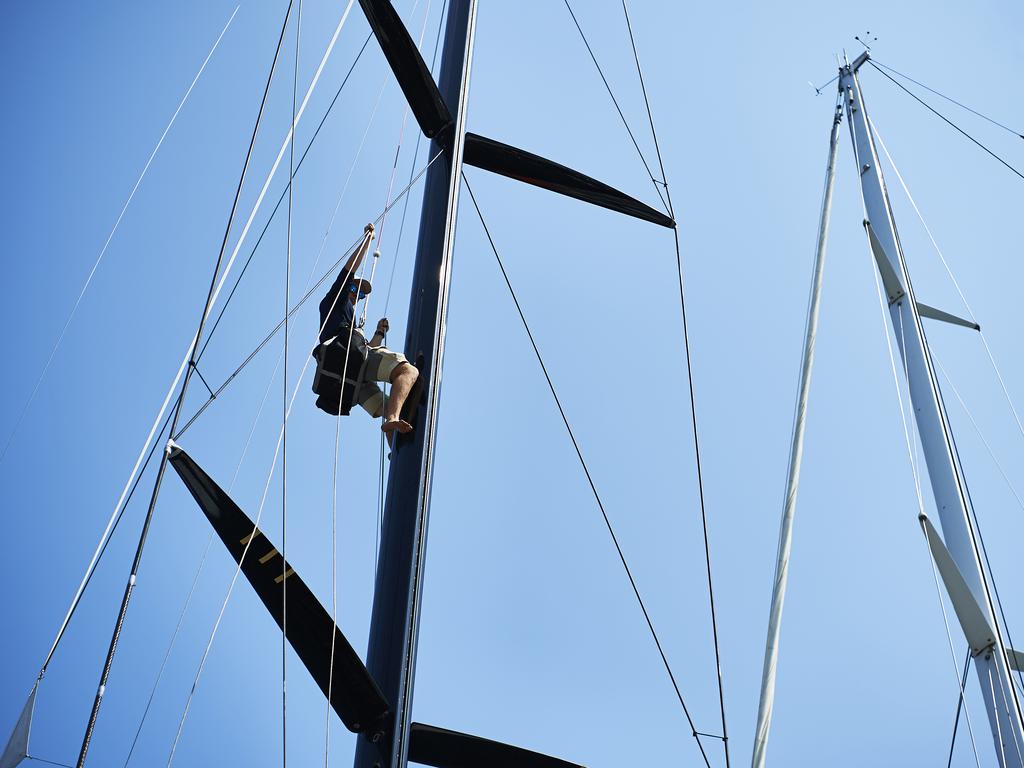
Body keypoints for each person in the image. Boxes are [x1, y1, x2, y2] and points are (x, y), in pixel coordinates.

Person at [318, 222, 419, 434]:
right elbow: (349, 269)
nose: (357, 295)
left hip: (353, 370)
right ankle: (393, 418)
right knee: (408, 370)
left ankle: (394, 445)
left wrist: (379, 333)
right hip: (347, 358)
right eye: (354, 288)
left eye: (361, 294)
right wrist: (366, 241)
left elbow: (366, 348)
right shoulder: (334, 300)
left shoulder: (352, 321)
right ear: (348, 287)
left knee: (392, 405)